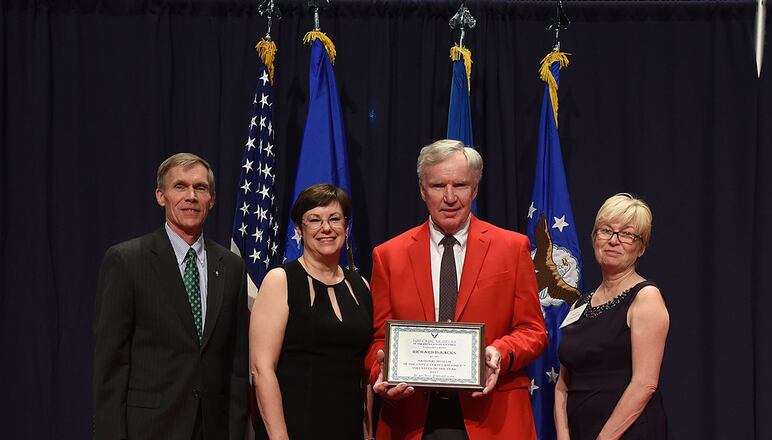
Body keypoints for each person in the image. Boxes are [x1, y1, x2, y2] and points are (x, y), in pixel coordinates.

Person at [365, 139, 548, 439]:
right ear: (423, 190)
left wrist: (499, 352)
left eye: (460, 185)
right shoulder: (388, 255)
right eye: (438, 186)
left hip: (493, 416)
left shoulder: (512, 248)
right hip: (412, 419)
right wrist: (380, 373)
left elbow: (533, 330)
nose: (450, 197)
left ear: (475, 189)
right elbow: (377, 341)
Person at [93, 153, 248, 439]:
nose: (191, 196)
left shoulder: (232, 267)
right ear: (160, 196)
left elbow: (236, 366)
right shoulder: (127, 261)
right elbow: (111, 366)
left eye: (200, 188)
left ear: (211, 200)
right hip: (149, 429)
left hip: (213, 429)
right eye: (180, 186)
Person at [249, 183, 373, 440]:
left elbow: (365, 371)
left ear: (346, 227)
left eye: (335, 219)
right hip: (293, 428)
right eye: (314, 220)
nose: (326, 228)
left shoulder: (361, 286)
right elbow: (261, 369)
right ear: (299, 229)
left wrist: (368, 431)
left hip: (348, 428)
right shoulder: (280, 280)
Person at [555, 193, 669, 440]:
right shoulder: (580, 303)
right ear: (595, 237)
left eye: (627, 234)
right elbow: (563, 384)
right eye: (606, 230)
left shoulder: (646, 298)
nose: (614, 241)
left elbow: (645, 383)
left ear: (641, 248)